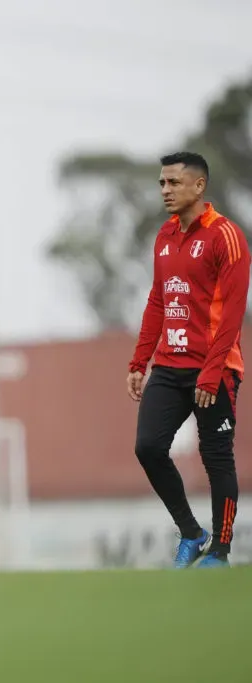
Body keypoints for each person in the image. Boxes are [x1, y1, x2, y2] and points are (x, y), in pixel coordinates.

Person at [128, 151, 250, 569]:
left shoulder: (226, 236)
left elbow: (233, 313)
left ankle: (220, 548)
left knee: (217, 457)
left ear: (199, 186)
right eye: (162, 183)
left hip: (214, 369)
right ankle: (192, 532)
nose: (165, 190)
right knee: (148, 447)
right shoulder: (164, 236)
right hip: (169, 365)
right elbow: (158, 302)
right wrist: (139, 362)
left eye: (173, 183)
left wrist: (212, 371)